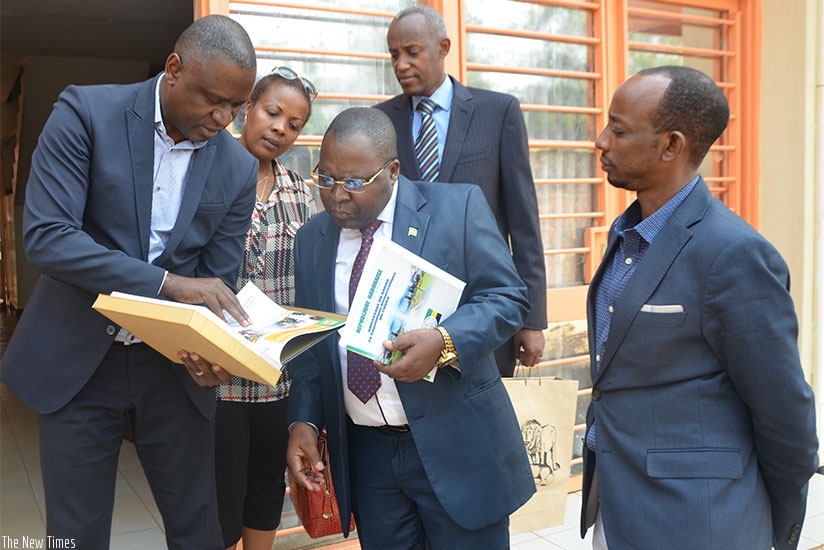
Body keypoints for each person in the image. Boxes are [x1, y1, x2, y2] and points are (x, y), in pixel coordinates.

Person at [0, 15, 259, 549]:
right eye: (213, 100)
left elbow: (217, 282)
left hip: (172, 368)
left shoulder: (236, 166)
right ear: (173, 70)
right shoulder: (87, 113)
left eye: (237, 106)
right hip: (77, 360)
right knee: (75, 534)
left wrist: (215, 352)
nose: (224, 118)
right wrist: (168, 284)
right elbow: (49, 238)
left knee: (198, 531)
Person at [580, 66, 819, 550]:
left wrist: (778, 526)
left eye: (620, 130)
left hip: (698, 521)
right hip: (618, 505)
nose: (601, 141)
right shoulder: (627, 234)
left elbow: (785, 414)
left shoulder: (733, 254)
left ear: (671, 145)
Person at [285, 107, 536, 549]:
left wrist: (444, 342)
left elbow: (508, 297)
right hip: (367, 455)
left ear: (393, 171)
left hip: (454, 442)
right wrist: (302, 422)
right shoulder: (311, 240)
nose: (337, 196)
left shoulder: (456, 208)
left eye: (355, 182)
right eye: (325, 179)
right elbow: (312, 345)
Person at [374, 6, 547, 376]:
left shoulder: (498, 112)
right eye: (393, 55)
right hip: (406, 309)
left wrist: (532, 319)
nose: (401, 64)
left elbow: (524, 223)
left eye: (412, 52)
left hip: (484, 306)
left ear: (443, 47)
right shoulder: (380, 122)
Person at [215, 67, 318, 550]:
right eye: (272, 112)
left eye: (294, 123)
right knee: (218, 494)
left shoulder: (303, 192)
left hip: (280, 375)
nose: (280, 128)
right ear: (248, 108)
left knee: (265, 489)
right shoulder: (206, 173)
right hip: (215, 375)